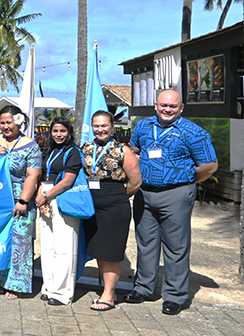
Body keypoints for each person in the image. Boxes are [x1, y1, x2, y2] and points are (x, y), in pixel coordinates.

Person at [125, 90, 217, 315]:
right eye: (164, 105)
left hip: (176, 195)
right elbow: (134, 149)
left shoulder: (193, 133)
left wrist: (184, 179)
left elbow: (210, 165)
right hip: (144, 193)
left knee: (176, 247)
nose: (168, 109)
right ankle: (144, 288)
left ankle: (175, 296)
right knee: (145, 242)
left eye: (173, 106)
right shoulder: (143, 126)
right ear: (155, 105)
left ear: (181, 108)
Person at [82, 111, 142, 311]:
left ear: (112, 126)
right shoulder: (87, 148)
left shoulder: (123, 149)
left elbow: (136, 181)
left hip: (114, 204)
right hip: (92, 204)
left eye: (104, 125)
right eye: (96, 126)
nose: (100, 129)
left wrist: (117, 196)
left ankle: (107, 296)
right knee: (100, 249)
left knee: (112, 252)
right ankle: (111, 291)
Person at [0, 105, 42, 298]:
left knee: (20, 241)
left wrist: (23, 200)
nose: (5, 126)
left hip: (21, 200)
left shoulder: (31, 145)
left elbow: (32, 176)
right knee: (3, 240)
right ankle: (1, 280)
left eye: (9, 122)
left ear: (18, 121)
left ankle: (17, 284)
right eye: (2, 122)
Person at [34, 117, 82, 306]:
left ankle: (63, 293)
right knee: (48, 247)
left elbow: (67, 181)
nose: (58, 134)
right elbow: (45, 176)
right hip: (46, 199)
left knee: (64, 248)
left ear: (69, 132)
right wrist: (41, 197)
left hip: (62, 200)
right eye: (55, 131)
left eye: (62, 131)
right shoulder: (51, 150)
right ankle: (49, 287)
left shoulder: (73, 152)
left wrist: (47, 196)